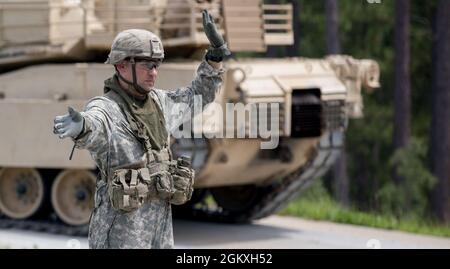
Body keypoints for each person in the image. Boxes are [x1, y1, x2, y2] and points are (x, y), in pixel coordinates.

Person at [52, 10, 230, 249]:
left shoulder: (159, 102)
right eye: (147, 65)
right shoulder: (108, 108)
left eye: (156, 65)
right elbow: (96, 123)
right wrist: (82, 126)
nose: (154, 72)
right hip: (121, 231)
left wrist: (215, 57)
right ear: (122, 66)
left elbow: (198, 96)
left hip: (159, 226)